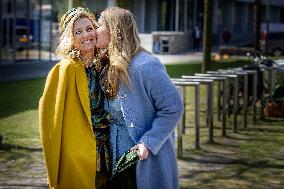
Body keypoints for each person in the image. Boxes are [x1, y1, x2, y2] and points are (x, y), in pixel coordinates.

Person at [95, 7, 184, 189]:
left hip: (144, 158)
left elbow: (173, 107)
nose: (96, 29)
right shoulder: (106, 65)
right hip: (115, 154)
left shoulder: (145, 65)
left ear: (114, 30)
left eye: (100, 24)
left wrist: (148, 142)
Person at [39, 7, 110, 189]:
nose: (86, 35)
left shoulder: (104, 66)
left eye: (89, 28)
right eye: (78, 32)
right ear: (70, 38)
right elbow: (50, 122)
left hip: (106, 152)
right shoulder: (64, 69)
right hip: (77, 154)